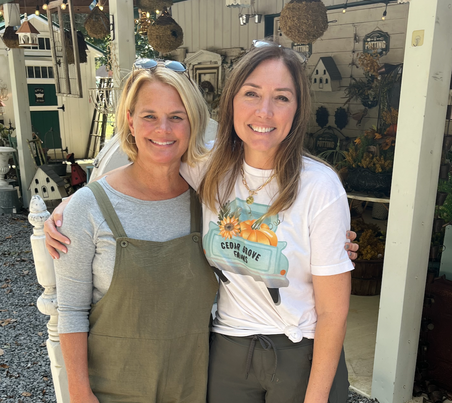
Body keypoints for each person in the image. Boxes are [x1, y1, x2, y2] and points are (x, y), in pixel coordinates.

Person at [46, 44, 358, 403]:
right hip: (227, 351)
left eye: (282, 97)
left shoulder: (318, 186)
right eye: (251, 93)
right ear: (232, 103)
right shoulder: (211, 168)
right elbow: (149, 166)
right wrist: (76, 203)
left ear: (298, 108)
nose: (265, 110)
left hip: (298, 350)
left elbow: (333, 309)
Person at [53, 61, 218, 403]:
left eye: (177, 116)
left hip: (193, 388)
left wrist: (331, 246)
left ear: (193, 123)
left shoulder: (211, 202)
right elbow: (70, 311)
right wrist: (80, 393)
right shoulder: (88, 207)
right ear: (130, 120)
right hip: (111, 391)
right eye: (149, 116)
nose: (163, 129)